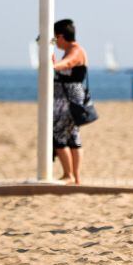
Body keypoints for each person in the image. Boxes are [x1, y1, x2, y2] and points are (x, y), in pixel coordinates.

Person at [52, 19, 90, 185]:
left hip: (69, 99)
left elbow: (67, 63)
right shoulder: (69, 50)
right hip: (67, 98)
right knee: (72, 136)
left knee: (60, 135)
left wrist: (53, 65)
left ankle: (69, 174)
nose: (55, 42)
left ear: (61, 37)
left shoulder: (75, 51)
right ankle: (75, 176)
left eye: (55, 39)